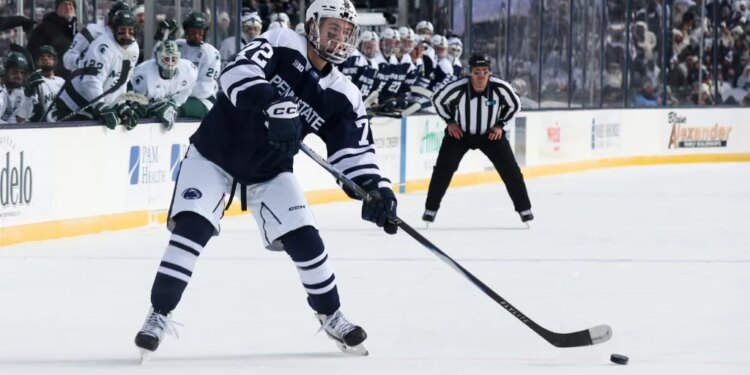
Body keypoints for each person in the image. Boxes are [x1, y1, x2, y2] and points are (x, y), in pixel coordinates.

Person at [133, 0, 398, 359]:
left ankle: (331, 313)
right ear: (311, 26)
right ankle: (159, 314)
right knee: (192, 229)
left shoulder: (343, 94)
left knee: (306, 241)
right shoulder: (281, 42)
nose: (338, 40)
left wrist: (374, 190)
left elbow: (354, 151)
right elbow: (236, 72)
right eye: (331, 30)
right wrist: (272, 102)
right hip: (215, 153)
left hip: (270, 170)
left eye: (345, 33)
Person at [424, 53, 532, 224]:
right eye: (477, 72)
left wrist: (500, 124)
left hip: (491, 136)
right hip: (459, 135)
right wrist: (450, 122)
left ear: (490, 72)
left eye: (484, 72)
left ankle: (524, 209)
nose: (481, 76)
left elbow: (515, 105)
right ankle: (430, 209)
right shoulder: (458, 87)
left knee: (511, 171)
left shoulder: (500, 87)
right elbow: (437, 100)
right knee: (443, 170)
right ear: (470, 73)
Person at [52, 10, 141, 128]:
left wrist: (120, 104)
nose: (127, 35)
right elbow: (91, 81)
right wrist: (101, 105)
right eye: (121, 31)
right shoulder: (103, 47)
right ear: (114, 30)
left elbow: (122, 80)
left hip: (93, 105)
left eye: (131, 31)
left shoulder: (134, 48)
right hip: (74, 103)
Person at [131, 40, 198, 129]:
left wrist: (173, 104)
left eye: (173, 59)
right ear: (158, 57)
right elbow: (132, 100)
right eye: (166, 59)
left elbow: (183, 94)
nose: (170, 63)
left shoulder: (189, 71)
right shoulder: (143, 74)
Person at [62, 1, 133, 72]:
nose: (124, 21)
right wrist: (82, 60)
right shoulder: (92, 31)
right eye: (120, 17)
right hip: (86, 79)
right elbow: (67, 59)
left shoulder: (132, 41)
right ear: (112, 17)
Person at [27, 0, 79, 79]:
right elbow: (33, 52)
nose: (68, 7)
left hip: (75, 78)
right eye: (64, 4)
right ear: (57, 8)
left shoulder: (78, 29)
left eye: (70, 4)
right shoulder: (44, 28)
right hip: (52, 78)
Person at [25, 45, 65, 121]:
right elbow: (29, 109)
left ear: (55, 61)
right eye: (42, 57)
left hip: (62, 124)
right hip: (44, 126)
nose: (45, 58)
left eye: (49, 56)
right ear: (37, 62)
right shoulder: (36, 81)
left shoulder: (62, 81)